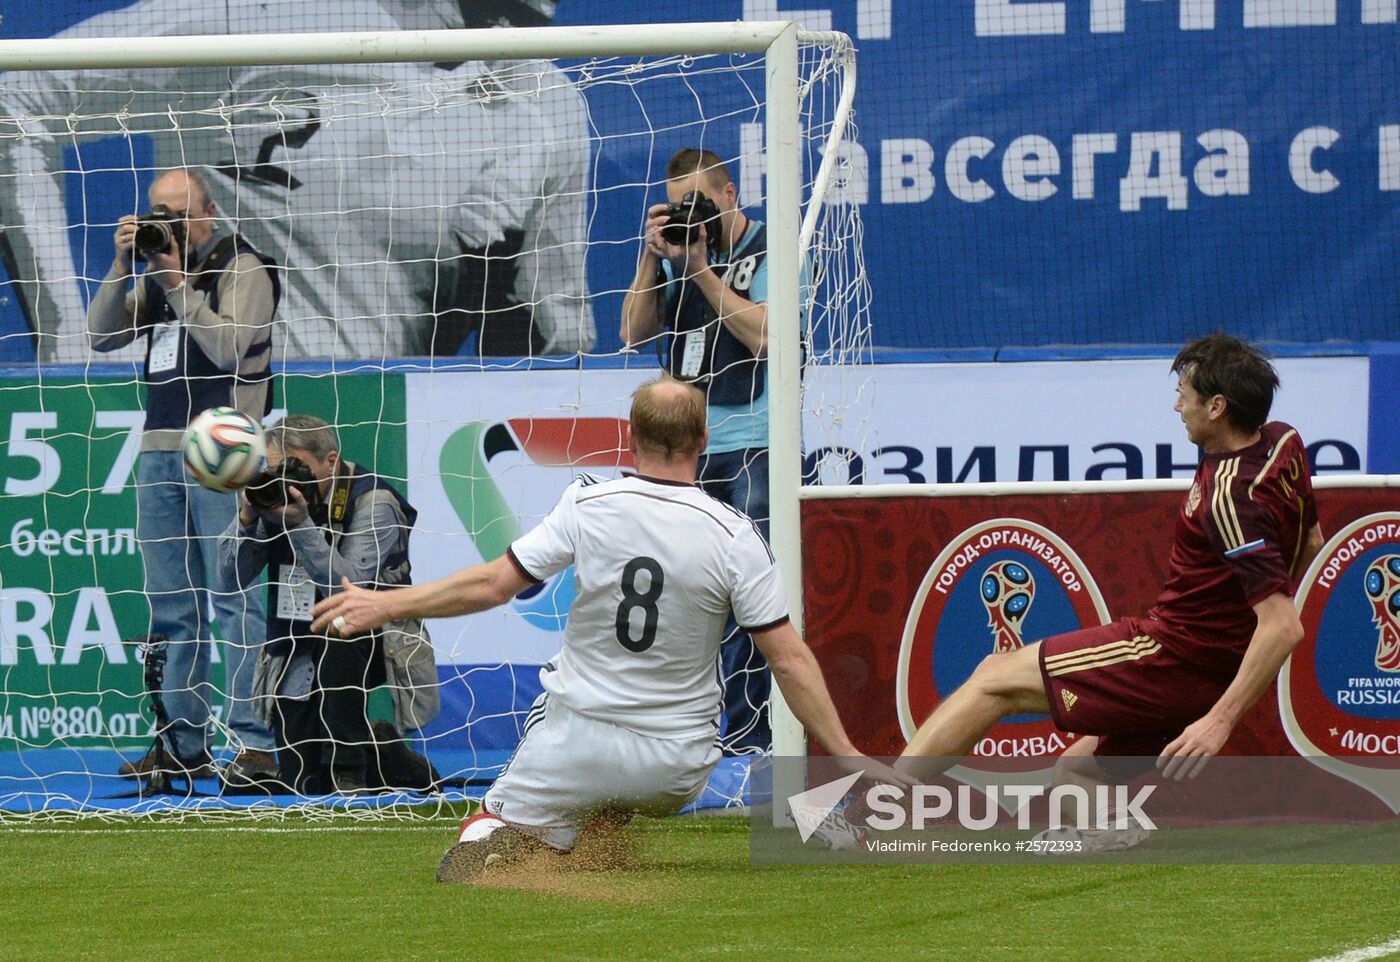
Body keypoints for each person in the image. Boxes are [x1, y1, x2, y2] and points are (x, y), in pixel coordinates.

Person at [312, 377, 906, 879]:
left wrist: (386, 605)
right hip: (677, 769)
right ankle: (598, 831)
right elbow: (790, 660)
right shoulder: (735, 534)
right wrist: (846, 752)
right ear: (703, 439)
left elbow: (494, 585)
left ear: (630, 434)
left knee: (475, 847)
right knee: (617, 798)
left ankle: (507, 841)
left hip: (577, 746)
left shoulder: (588, 501)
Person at [894, 333, 1325, 844]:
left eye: (1185, 393)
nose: (1177, 404)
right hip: (1207, 667)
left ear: (1217, 406)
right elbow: (1311, 538)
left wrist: (1218, 720)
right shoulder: (1283, 441)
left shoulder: (1228, 499)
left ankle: (876, 806)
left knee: (993, 677)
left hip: (1171, 656)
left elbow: (1282, 625)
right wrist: (1232, 636)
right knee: (1079, 773)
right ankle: (1112, 843)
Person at [0, 0, 593, 362]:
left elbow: (554, 331)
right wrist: (67, 348)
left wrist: (496, 277)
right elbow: (16, 95)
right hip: (189, 405)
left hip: (371, 420)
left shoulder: (546, 107)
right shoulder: (247, 18)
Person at [89, 167, 280, 785]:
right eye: (155, 212)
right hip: (158, 451)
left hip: (224, 456)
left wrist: (176, 284)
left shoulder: (243, 267)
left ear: (210, 211)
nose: (163, 223)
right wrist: (126, 267)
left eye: (175, 212)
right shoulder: (157, 269)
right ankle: (181, 743)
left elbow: (230, 349)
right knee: (172, 608)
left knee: (236, 602)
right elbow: (99, 335)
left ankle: (255, 744)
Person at [619, 147, 777, 755]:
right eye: (681, 207)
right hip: (684, 451)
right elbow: (634, 333)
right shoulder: (672, 253)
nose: (694, 217)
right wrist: (650, 257)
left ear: (730, 194)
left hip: (756, 442)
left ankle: (748, 733)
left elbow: (765, 333)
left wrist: (703, 269)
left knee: (750, 591)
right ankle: (682, 732)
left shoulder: (768, 246)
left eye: (702, 204)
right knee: (683, 588)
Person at [217, 415, 439, 794]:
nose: (284, 479)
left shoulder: (373, 501)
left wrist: (301, 524)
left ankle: (350, 763)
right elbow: (229, 578)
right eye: (274, 469)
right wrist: (248, 516)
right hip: (296, 642)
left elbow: (347, 586)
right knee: (301, 780)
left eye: (295, 467)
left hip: (374, 638)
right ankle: (385, 752)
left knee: (341, 621)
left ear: (331, 460)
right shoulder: (275, 500)